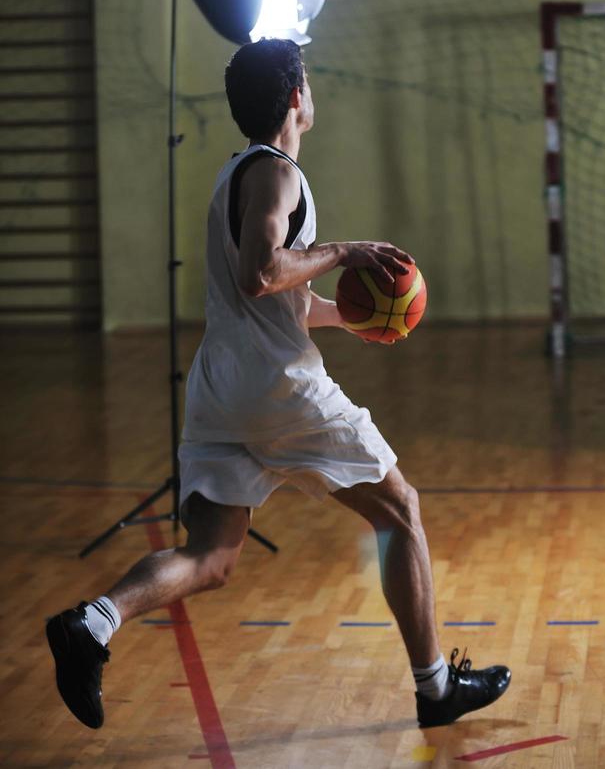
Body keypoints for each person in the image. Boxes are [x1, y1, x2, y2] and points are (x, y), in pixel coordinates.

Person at [46, 38, 510, 731]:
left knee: (210, 558)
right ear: (296, 93)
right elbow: (261, 273)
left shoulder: (238, 170)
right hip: (278, 391)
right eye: (310, 79)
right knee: (400, 511)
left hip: (221, 388)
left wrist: (346, 316)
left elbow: (271, 297)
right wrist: (346, 251)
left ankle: (93, 622)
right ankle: (435, 688)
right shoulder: (275, 173)